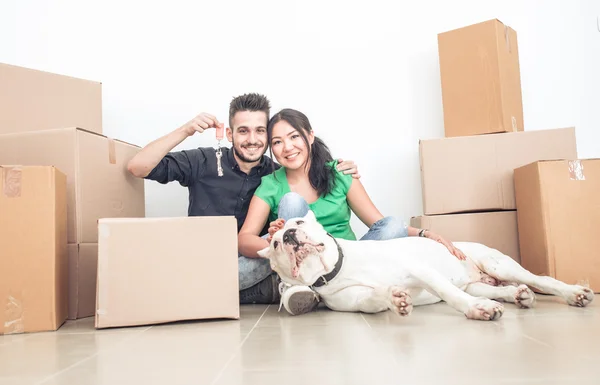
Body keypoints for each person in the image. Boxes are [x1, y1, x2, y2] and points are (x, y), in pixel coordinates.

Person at [126, 93, 362, 313]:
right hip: (207, 262)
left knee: (276, 255)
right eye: (243, 131)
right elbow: (138, 167)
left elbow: (308, 181)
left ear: (268, 136)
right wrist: (186, 130)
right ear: (230, 134)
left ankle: (288, 290)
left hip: (257, 264)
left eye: (260, 131)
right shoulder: (202, 161)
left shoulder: (276, 174)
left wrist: (339, 168)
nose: (252, 140)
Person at [238, 108, 466, 316]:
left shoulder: (339, 174)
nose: (287, 147)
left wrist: (426, 234)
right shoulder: (271, 184)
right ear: (272, 150)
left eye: (294, 136)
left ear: (310, 136)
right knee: (291, 201)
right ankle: (298, 287)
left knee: (393, 223)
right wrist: (280, 245)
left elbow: (380, 224)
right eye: (277, 142)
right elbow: (244, 238)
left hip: (344, 267)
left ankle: (324, 290)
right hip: (300, 267)